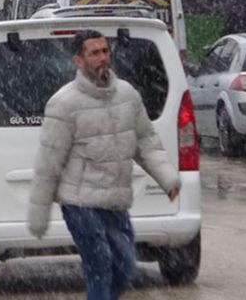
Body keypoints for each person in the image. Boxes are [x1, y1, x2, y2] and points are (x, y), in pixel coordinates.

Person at [27, 30, 180, 300]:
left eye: (105, 51)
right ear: (78, 60)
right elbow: (49, 163)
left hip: (114, 200)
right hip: (80, 204)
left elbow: (146, 142)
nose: (102, 58)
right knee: (99, 264)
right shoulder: (64, 104)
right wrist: (39, 213)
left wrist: (167, 178)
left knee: (125, 267)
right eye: (94, 53)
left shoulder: (127, 95)